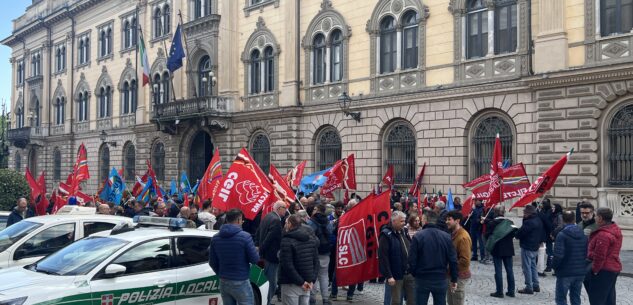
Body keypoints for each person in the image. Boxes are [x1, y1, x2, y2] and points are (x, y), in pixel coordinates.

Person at [209, 209, 260, 305]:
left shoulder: (215, 238)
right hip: (241, 280)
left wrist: (221, 274)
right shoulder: (245, 237)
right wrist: (255, 250)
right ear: (238, 220)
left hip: (224, 281)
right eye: (242, 220)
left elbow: (212, 262)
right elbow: (255, 259)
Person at [409, 210, 458, 305]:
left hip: (422, 278)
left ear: (425, 220)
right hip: (440, 278)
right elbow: (453, 260)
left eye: (422, 219)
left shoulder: (418, 236)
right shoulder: (446, 237)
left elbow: (412, 259)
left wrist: (415, 273)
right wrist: (454, 279)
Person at [584, 207, 622, 305]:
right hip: (612, 268)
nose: (594, 217)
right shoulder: (615, 229)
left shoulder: (604, 235)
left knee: (597, 300)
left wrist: (595, 271)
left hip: (603, 270)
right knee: (609, 299)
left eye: (596, 215)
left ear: (600, 218)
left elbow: (599, 256)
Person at [279, 214, 319, 305]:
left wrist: (303, 282)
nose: (284, 225)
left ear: (289, 224)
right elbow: (316, 262)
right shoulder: (311, 238)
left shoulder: (287, 240)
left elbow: (287, 265)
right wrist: (311, 280)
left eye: (286, 223)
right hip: (307, 283)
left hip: (292, 284)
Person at [379, 211, 415, 305]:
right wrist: (389, 275)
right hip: (396, 274)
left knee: (413, 300)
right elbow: (383, 257)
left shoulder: (404, 231)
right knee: (396, 301)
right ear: (394, 221)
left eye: (404, 221)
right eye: (401, 221)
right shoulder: (386, 234)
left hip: (409, 273)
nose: (404, 223)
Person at [552, 211, 587, 305]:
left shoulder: (562, 235)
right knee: (576, 298)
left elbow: (558, 255)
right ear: (574, 219)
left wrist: (554, 266)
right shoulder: (583, 234)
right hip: (580, 271)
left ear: (563, 220)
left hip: (565, 271)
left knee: (561, 299)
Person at [256, 201, 286, 305]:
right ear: (278, 209)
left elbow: (258, 232)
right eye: (284, 208)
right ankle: (267, 302)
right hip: (271, 256)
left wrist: (259, 247)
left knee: (268, 280)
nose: (286, 210)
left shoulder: (268, 216)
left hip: (266, 254)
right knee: (272, 283)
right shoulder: (276, 220)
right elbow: (269, 238)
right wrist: (261, 249)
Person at [484, 205, 516, 298]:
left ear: (495, 212)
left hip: (497, 249)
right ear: (504, 212)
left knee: (498, 271)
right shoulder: (510, 222)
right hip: (509, 249)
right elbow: (513, 234)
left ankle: (499, 291)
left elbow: (487, 236)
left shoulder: (492, 223)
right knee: (509, 270)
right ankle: (511, 291)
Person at [306, 204, 333, 305]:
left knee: (314, 276)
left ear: (317, 210)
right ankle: (325, 299)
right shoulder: (327, 221)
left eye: (314, 209)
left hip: (314, 252)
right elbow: (330, 233)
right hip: (325, 252)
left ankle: (312, 298)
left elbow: (308, 235)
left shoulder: (311, 221)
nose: (313, 210)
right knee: (324, 276)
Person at [516, 204, 545, 294]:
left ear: (528, 213)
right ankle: (536, 285)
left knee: (526, 267)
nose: (523, 214)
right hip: (534, 246)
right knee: (532, 266)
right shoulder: (538, 220)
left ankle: (529, 287)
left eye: (524, 212)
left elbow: (521, 233)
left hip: (527, 246)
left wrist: (516, 233)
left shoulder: (529, 222)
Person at [445, 211, 471, 305]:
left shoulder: (463, 237)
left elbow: (465, 260)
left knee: (456, 302)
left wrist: (449, 266)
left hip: (459, 276)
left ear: (457, 221)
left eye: (449, 219)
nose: (446, 222)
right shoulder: (454, 234)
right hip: (452, 275)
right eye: (446, 219)